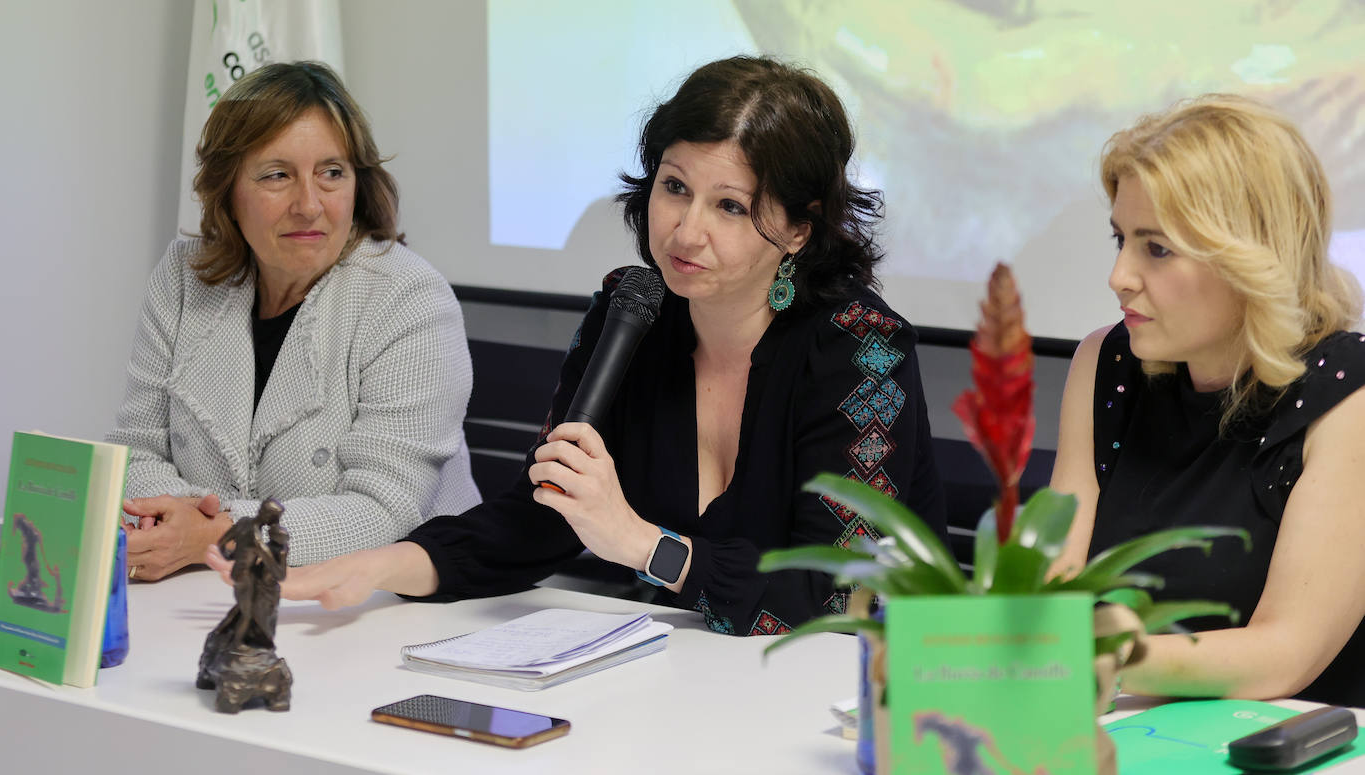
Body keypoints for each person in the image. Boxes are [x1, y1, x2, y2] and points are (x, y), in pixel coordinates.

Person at [210, 56, 947, 636]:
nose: (686, 231)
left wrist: (640, 542)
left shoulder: (861, 351)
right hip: (684, 676)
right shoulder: (632, 312)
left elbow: (837, 596)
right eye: (674, 187)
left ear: (797, 226)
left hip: (852, 703)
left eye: (730, 206)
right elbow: (543, 515)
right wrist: (384, 565)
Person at [1048, 94, 1365, 705]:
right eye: (1120, 239)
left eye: (1156, 248)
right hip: (1121, 730)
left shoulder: (1348, 394)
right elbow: (1049, 591)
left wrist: (1082, 654)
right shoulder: (1105, 364)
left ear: (1249, 256)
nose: (1119, 275)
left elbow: (1283, 655)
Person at [108, 61, 480, 581]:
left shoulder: (409, 298)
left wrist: (214, 534)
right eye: (277, 175)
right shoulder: (182, 277)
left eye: (332, 173)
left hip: (388, 606)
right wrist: (190, 530)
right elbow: (135, 453)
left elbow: (384, 513)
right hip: (209, 590)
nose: (309, 205)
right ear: (228, 191)